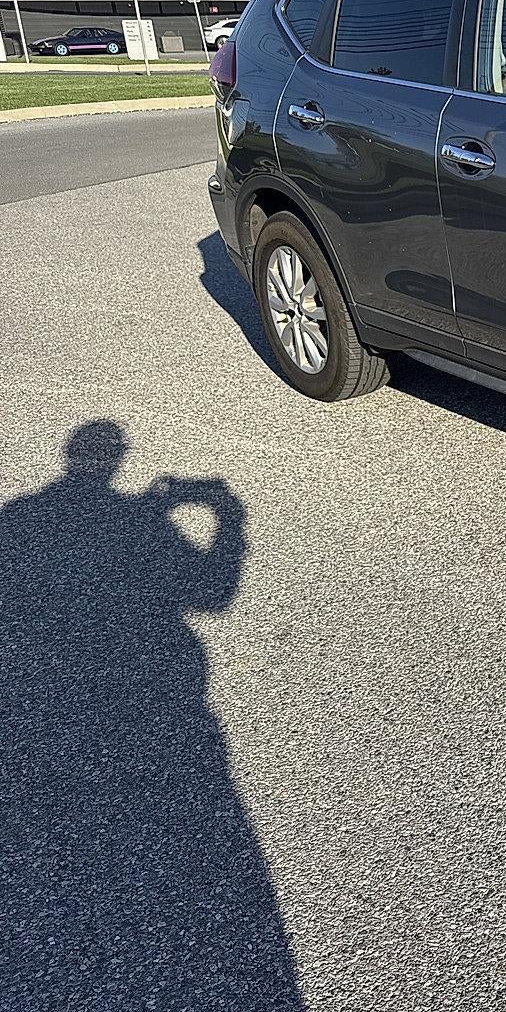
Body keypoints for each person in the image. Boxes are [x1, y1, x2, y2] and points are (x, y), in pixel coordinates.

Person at [0, 421, 302, 1010]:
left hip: (50, 704)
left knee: (60, 835)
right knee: (192, 830)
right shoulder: (142, 520)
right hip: (166, 692)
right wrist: (228, 515)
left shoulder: (17, 517)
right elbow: (214, 593)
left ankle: (79, 942)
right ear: (114, 460)